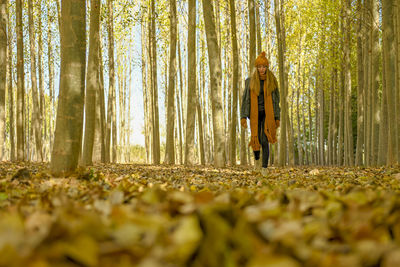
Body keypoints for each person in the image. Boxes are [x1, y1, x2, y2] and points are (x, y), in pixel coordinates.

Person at [240, 51, 280, 176]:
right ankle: (257, 162)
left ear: (267, 67)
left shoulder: (272, 80)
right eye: (259, 67)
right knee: (255, 139)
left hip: (268, 115)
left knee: (264, 139)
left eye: (264, 67)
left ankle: (264, 167)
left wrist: (277, 117)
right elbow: (246, 99)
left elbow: (276, 100)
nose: (262, 69)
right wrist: (243, 116)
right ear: (256, 68)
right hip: (254, 114)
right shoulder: (250, 81)